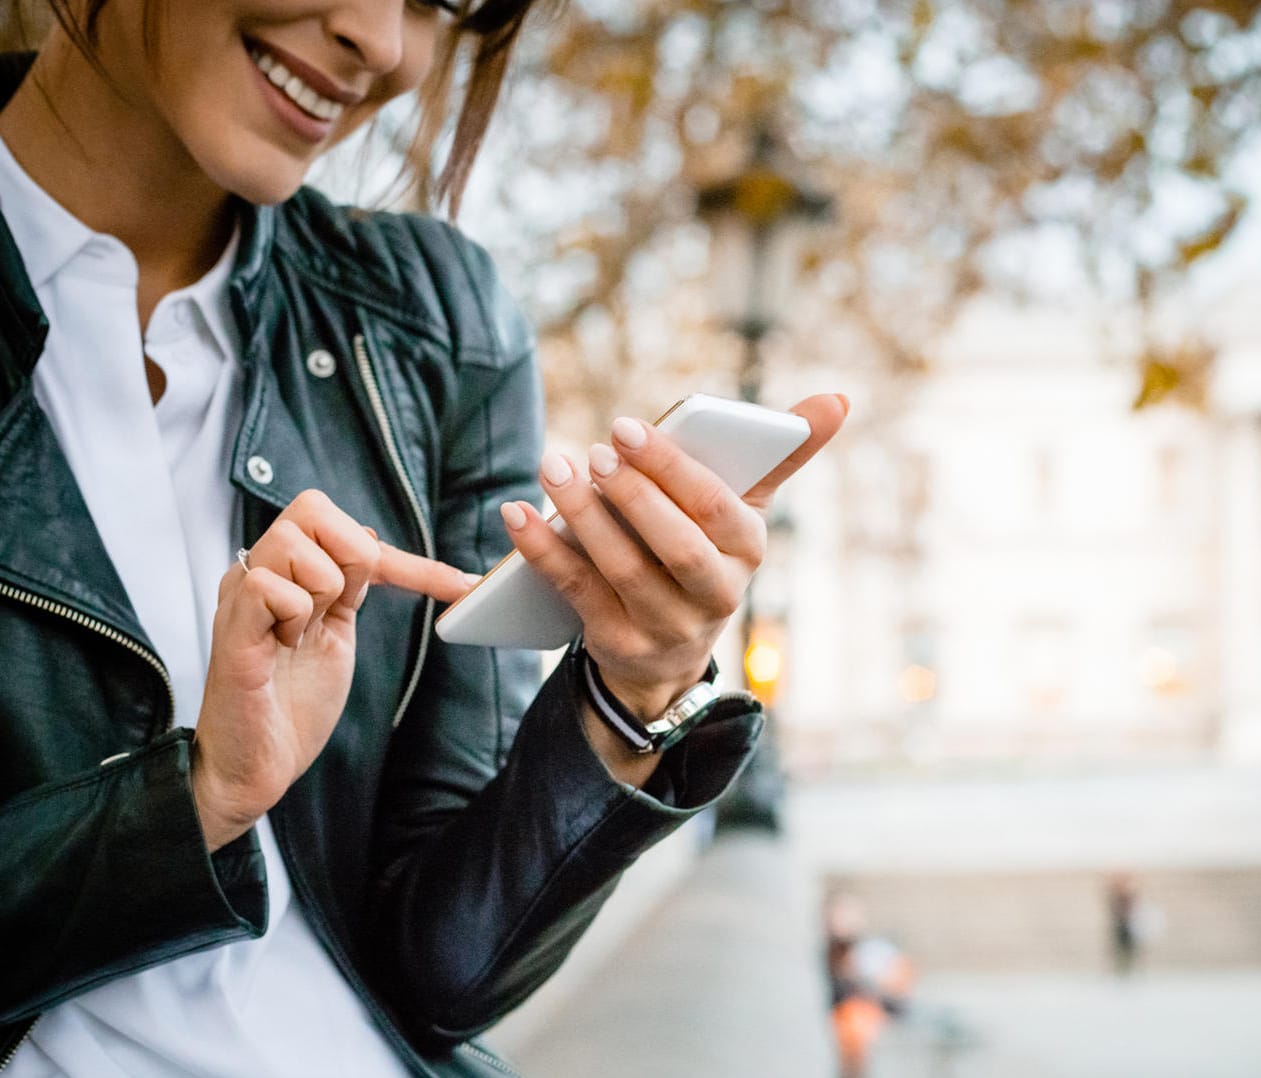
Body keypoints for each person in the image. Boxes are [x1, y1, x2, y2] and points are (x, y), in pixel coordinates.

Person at [0, 1, 847, 1075]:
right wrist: (200, 796)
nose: (381, 40)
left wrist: (633, 693)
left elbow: (445, 976)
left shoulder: (431, 320)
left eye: (440, 2)